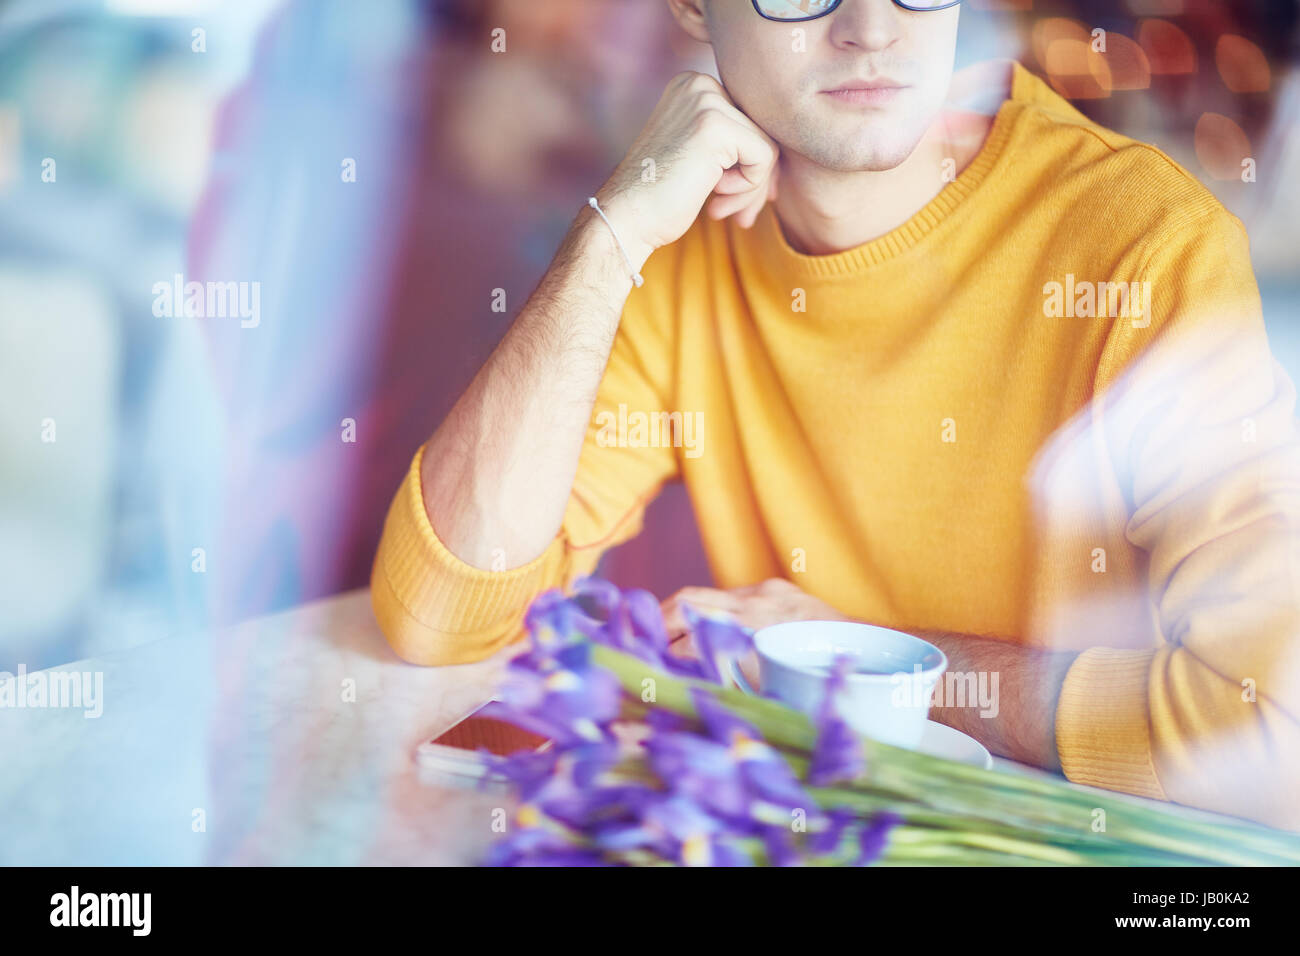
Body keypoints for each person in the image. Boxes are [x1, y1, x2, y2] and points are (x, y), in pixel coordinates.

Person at [370, 0, 1300, 829]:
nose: (873, 28)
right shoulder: (684, 236)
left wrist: (851, 663)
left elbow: (1270, 732)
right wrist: (613, 229)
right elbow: (440, 613)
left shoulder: (1146, 246)